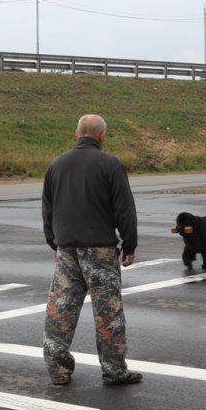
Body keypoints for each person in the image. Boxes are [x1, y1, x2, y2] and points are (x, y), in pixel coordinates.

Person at [41, 114, 142, 386]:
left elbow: (48, 209)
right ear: (101, 136)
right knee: (107, 312)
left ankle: (58, 370)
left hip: (66, 248)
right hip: (100, 250)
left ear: (77, 133)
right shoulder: (110, 165)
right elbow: (125, 209)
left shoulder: (56, 165)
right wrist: (129, 243)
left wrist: (55, 242)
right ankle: (114, 369)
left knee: (60, 309)